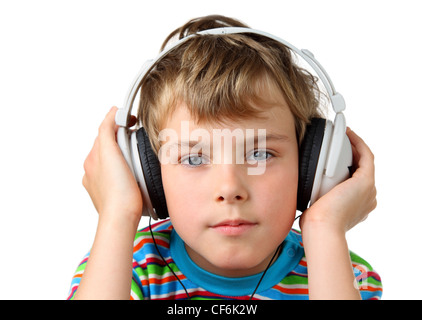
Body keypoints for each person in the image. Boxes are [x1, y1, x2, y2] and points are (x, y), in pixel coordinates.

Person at [68, 15, 382, 300]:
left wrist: (325, 227)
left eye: (260, 153)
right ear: (147, 175)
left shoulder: (342, 274)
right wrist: (117, 213)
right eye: (193, 159)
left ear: (311, 169)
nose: (229, 188)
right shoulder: (125, 268)